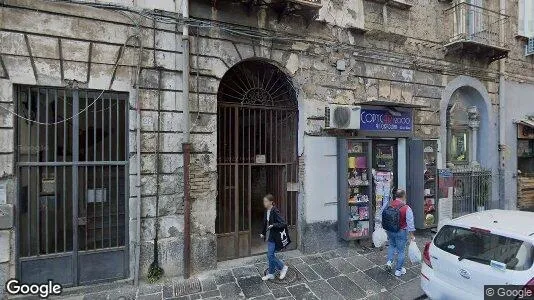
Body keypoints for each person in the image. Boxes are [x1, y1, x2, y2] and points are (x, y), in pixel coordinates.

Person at [385, 189, 416, 277]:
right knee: (401, 251)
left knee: (391, 245)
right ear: (403, 196)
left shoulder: (389, 204)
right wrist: (412, 235)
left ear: (396, 196)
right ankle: (398, 270)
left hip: (390, 230)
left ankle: (389, 262)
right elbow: (410, 223)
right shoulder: (406, 208)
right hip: (401, 231)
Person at [260, 194, 289, 281]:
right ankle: (271, 274)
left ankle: (283, 267)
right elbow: (265, 223)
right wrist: (263, 233)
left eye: (266, 201)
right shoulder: (267, 211)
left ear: (271, 202)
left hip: (275, 237)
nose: (264, 203)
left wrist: (273, 225)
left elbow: (283, 223)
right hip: (270, 236)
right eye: (264, 201)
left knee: (270, 255)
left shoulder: (275, 211)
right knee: (270, 255)